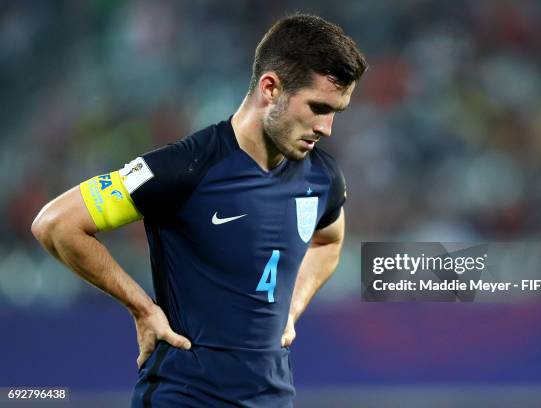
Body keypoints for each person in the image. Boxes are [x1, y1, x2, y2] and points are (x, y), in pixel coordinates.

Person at [31, 13, 367, 407]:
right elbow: (56, 224)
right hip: (185, 396)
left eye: (336, 113)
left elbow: (328, 241)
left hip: (272, 399)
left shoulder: (322, 177)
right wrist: (141, 308)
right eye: (317, 107)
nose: (326, 127)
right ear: (271, 88)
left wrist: (292, 307)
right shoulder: (185, 167)